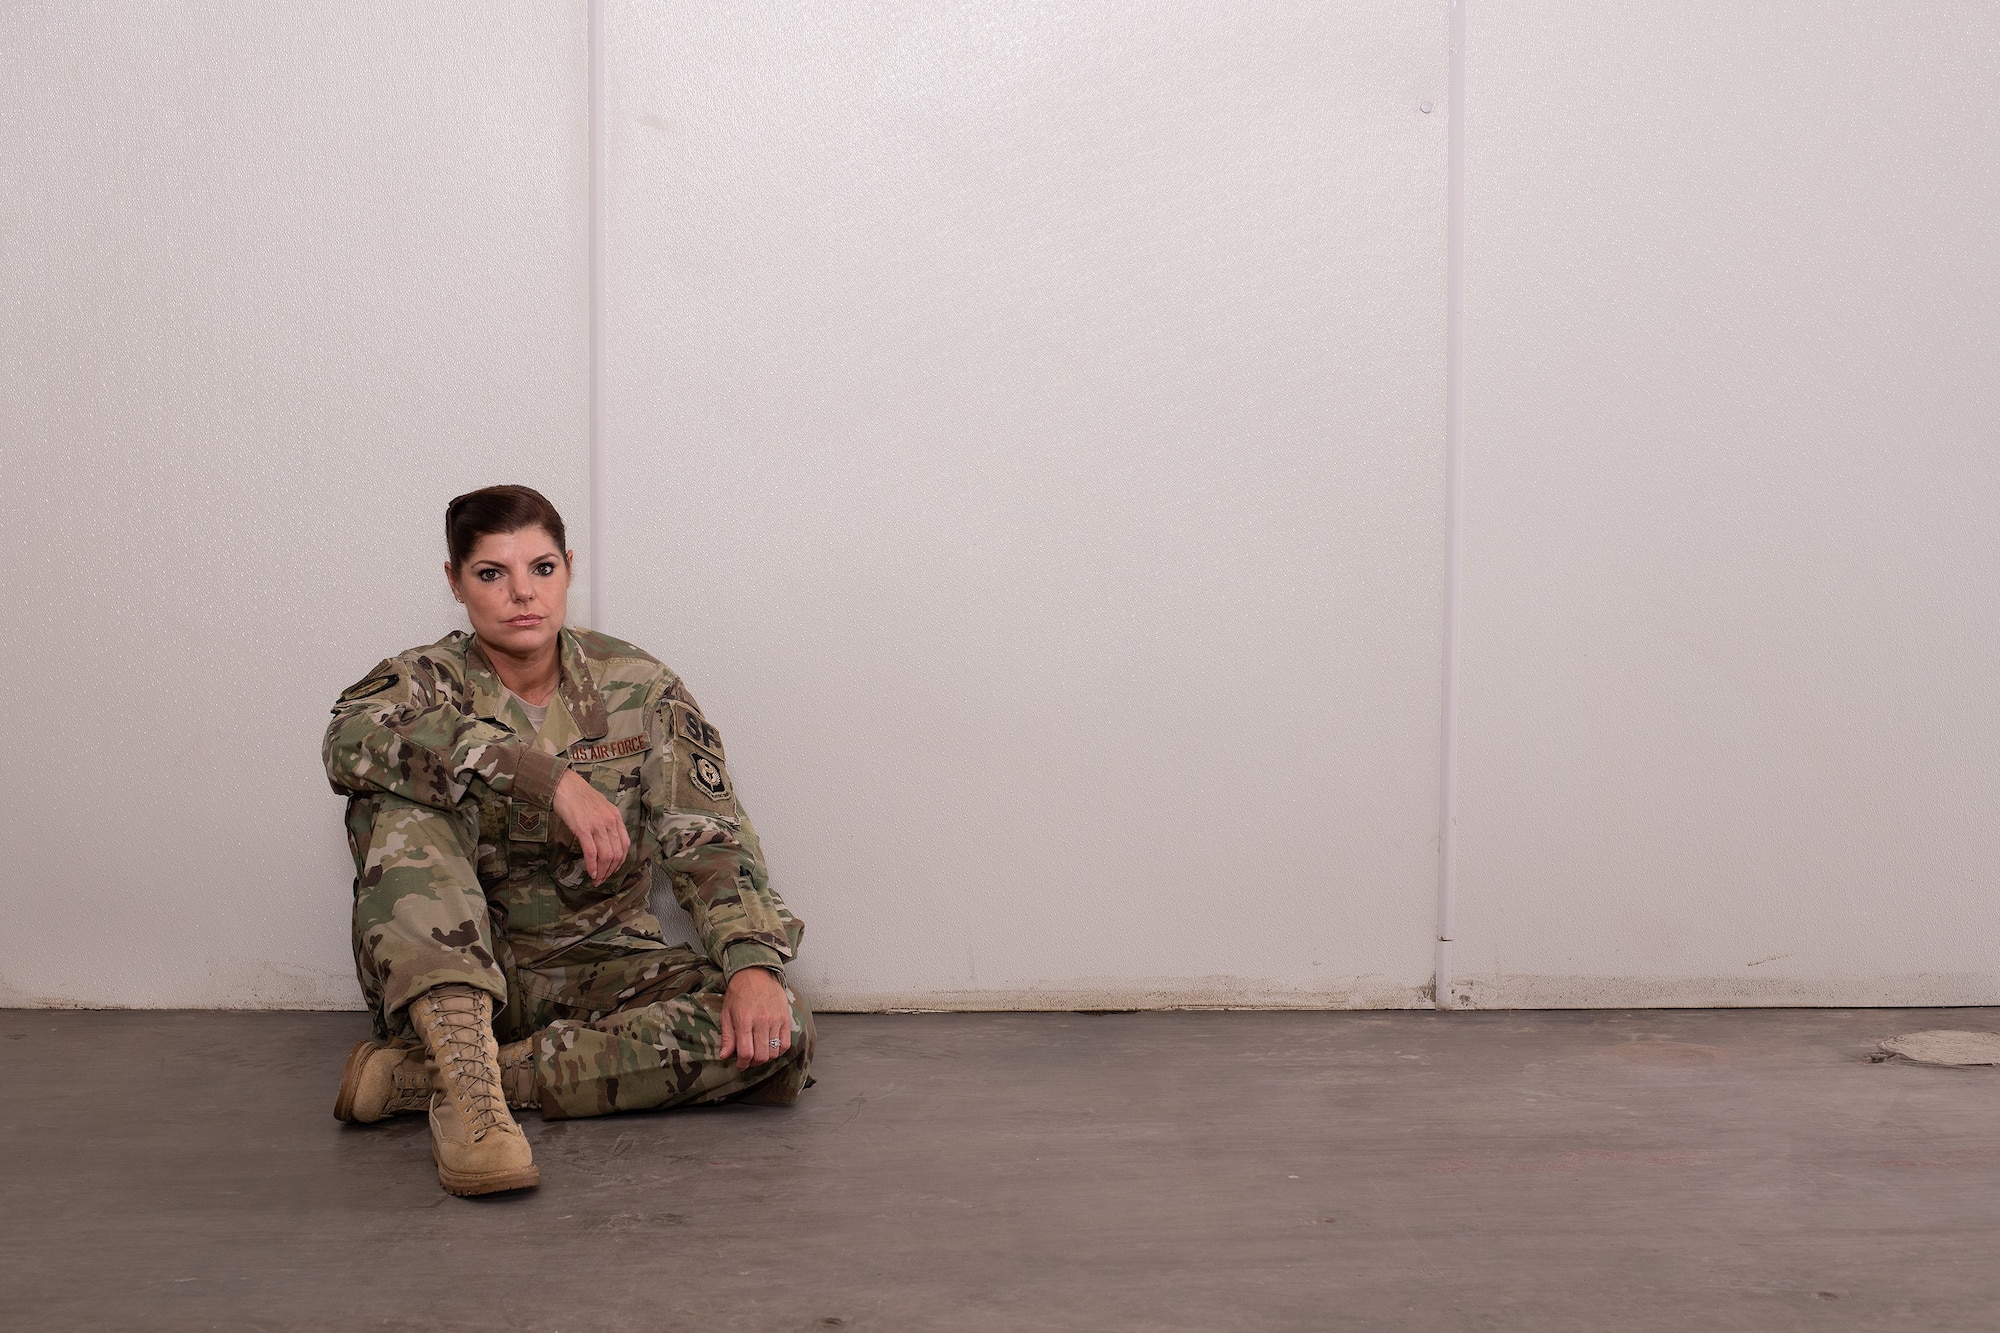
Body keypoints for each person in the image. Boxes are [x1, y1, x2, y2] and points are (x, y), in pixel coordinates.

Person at [323, 484, 812, 1196]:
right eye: (492, 573)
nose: (523, 593)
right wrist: (539, 775)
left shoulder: (639, 687)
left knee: (780, 1031)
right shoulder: (425, 681)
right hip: (458, 973)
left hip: (599, 966)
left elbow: (707, 835)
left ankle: (462, 1079)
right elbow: (346, 740)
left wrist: (749, 964)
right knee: (401, 802)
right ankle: (469, 1098)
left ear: (569, 568)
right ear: (455, 581)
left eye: (542, 568)